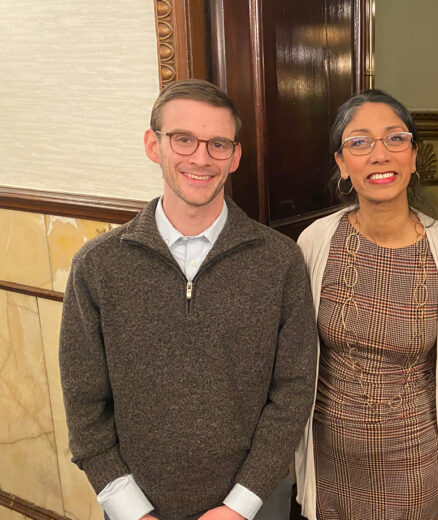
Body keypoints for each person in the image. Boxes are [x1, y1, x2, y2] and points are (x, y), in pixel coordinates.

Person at [59, 79, 317, 520]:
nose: (201, 157)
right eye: (183, 139)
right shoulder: (98, 266)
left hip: (255, 503)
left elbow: (293, 392)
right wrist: (129, 509)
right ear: (153, 145)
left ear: (235, 156)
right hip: (137, 505)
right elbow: (85, 406)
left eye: (218, 143)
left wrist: (241, 504)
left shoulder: (280, 261)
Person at [294, 89, 438, 520]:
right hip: (327, 462)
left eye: (395, 139)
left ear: (414, 157)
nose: (380, 155)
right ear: (342, 163)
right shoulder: (315, 243)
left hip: (411, 463)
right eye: (360, 142)